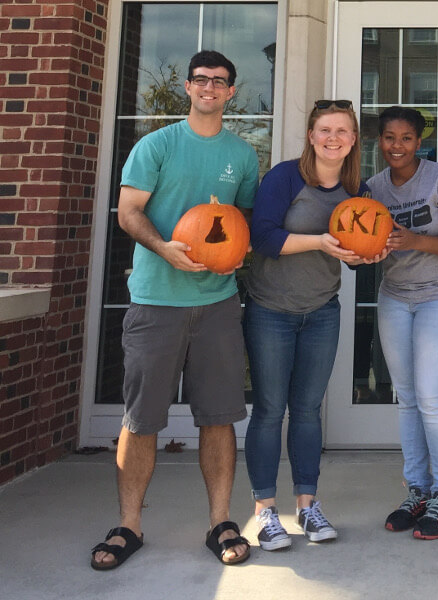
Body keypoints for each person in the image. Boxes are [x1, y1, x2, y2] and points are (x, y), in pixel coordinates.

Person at [91, 50, 259, 569]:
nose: (210, 87)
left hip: (217, 304)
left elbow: (240, 220)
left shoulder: (243, 154)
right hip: (156, 301)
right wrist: (163, 248)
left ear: (232, 92)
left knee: (220, 416)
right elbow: (129, 213)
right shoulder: (155, 145)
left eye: (221, 81)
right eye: (201, 79)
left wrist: (239, 252)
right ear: (188, 87)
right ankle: (129, 524)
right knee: (141, 420)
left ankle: (220, 520)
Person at [243, 99, 383, 551]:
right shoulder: (285, 177)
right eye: (325, 130)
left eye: (342, 131)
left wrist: (370, 255)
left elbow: (358, 255)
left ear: (353, 140)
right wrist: (319, 241)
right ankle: (265, 511)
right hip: (270, 308)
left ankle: (307, 505)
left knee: (307, 409)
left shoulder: (358, 190)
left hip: (322, 310)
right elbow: (261, 237)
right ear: (311, 136)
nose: (333, 138)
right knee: (269, 410)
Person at [367, 107, 438, 540]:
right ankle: (418, 490)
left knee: (433, 397)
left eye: (406, 138)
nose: (397, 146)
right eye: (390, 137)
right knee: (407, 397)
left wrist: (415, 240)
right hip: (395, 296)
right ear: (380, 141)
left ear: (419, 141)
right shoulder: (372, 189)